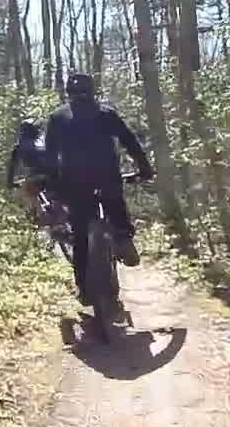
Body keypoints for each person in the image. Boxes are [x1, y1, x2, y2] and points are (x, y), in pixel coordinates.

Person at [45, 72, 154, 303]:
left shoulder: (57, 117)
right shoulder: (106, 113)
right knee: (115, 205)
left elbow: (50, 156)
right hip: (107, 177)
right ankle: (124, 238)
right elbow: (130, 141)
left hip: (74, 183)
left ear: (68, 92)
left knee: (81, 236)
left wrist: (53, 186)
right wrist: (144, 167)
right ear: (92, 90)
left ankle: (84, 289)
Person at [4, 119, 59, 226]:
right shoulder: (45, 140)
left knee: (28, 191)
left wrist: (10, 183)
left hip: (35, 177)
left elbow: (12, 167)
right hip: (54, 175)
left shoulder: (19, 145)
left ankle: (41, 214)